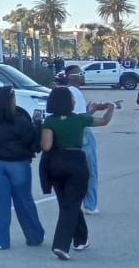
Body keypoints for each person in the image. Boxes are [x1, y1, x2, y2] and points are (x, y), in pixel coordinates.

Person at [40, 86, 113, 260]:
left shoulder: (50, 121)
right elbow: (104, 121)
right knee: (71, 204)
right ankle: (61, 245)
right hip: (76, 162)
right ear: (68, 102)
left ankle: (81, 239)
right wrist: (111, 108)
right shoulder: (79, 120)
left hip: (56, 163)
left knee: (66, 203)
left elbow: (46, 146)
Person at [0, 86, 45, 250]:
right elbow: (33, 143)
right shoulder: (20, 118)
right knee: (24, 200)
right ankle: (34, 236)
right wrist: (37, 125)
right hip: (18, 164)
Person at [64, 67, 100, 214]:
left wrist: (89, 110)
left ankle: (71, 201)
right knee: (91, 170)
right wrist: (92, 112)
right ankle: (90, 204)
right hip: (83, 132)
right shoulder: (75, 92)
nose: (83, 76)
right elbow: (80, 118)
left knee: (72, 170)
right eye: (80, 74)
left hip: (69, 134)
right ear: (71, 77)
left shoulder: (66, 92)